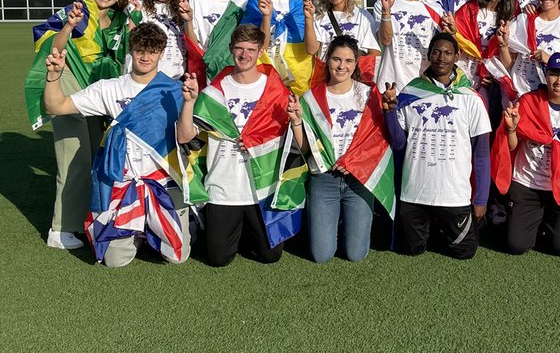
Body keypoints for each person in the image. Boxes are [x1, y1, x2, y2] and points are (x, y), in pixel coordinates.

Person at [42, 23, 191, 267]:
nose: (145, 56)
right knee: (114, 261)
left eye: (152, 51)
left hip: (162, 182)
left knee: (177, 256)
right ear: (131, 50)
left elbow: (187, 138)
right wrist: (53, 76)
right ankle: (139, 228)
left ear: (162, 54)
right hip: (122, 182)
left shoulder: (174, 91)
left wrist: (189, 104)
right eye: (140, 49)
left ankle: (163, 222)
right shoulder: (110, 88)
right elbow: (56, 106)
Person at [177, 25, 301, 267]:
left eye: (251, 50)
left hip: (261, 187)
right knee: (218, 259)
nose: (244, 55)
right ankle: (232, 228)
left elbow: (294, 143)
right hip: (223, 188)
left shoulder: (276, 91)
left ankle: (246, 229)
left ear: (260, 51)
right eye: (239, 49)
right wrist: (189, 104)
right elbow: (184, 138)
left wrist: (293, 122)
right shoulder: (214, 92)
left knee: (270, 256)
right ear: (231, 49)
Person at [26, 0, 131, 250]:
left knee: (95, 156)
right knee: (74, 158)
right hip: (71, 84)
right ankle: (60, 229)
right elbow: (53, 47)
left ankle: (86, 219)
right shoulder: (80, 10)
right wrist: (69, 26)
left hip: (99, 91)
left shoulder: (121, 19)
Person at [382, 32, 491, 260]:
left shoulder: (470, 97)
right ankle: (430, 226)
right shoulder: (411, 92)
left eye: (448, 52)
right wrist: (390, 113)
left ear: (457, 56)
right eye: (436, 52)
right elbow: (399, 143)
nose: (442, 57)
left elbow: (481, 155)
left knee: (464, 252)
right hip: (414, 192)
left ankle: (448, 226)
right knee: (411, 250)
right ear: (429, 55)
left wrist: (480, 199)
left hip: (454, 194)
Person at [290, 36, 394, 263]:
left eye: (348, 61)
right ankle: (328, 220)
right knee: (321, 255)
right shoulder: (311, 98)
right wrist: (297, 122)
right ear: (327, 61)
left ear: (356, 63)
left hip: (359, 178)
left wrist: (354, 162)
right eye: (336, 59)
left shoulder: (369, 95)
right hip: (324, 178)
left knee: (356, 254)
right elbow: (306, 149)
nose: (341, 66)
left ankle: (347, 221)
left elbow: (378, 141)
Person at [491, 54, 560, 257]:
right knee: (516, 245)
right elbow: (511, 147)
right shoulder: (528, 102)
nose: (559, 81)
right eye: (554, 74)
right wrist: (511, 130)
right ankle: (528, 219)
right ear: (546, 75)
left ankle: (546, 221)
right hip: (527, 182)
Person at [442, 0, 519, 122]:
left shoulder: (514, 11)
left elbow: (516, 49)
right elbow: (460, 43)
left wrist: (492, 73)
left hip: (501, 76)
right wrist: (452, 32)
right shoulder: (469, 9)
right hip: (472, 76)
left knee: (499, 124)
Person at [241, 0, 313, 95]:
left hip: (297, 68)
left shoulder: (303, 1)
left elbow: (312, 44)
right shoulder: (256, 2)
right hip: (265, 64)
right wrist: (266, 17)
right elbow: (254, 43)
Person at [373, 0, 439, 92]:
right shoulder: (384, 3)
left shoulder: (435, 7)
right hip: (390, 85)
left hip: (423, 86)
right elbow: (385, 41)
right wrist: (387, 11)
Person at [303, 0, 380, 79]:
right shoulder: (319, 17)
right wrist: (308, 19)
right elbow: (311, 50)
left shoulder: (363, 16)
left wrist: (355, 71)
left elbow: (374, 53)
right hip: (327, 78)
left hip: (354, 78)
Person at [127, 0, 190, 78]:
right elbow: (127, 42)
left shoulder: (182, 6)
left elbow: (192, 44)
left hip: (175, 79)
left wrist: (188, 20)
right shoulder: (138, 6)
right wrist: (133, 16)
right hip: (144, 78)